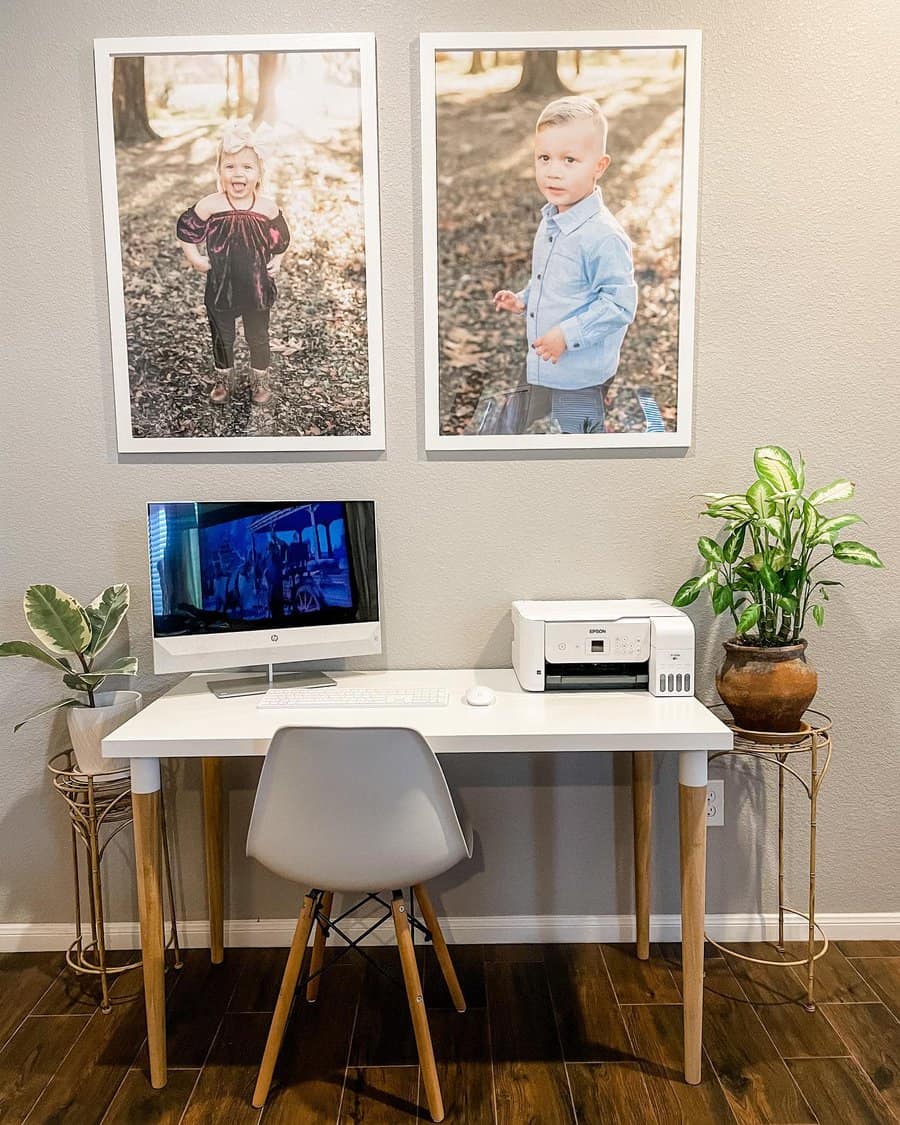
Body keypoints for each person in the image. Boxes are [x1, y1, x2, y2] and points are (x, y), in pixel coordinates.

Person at [493, 96, 637, 433]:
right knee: (503, 431)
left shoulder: (603, 236)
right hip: (541, 362)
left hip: (580, 376)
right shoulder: (551, 219)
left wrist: (566, 334)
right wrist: (524, 298)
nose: (552, 171)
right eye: (544, 158)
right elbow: (550, 279)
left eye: (569, 160)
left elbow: (619, 304)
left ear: (599, 166)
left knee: (581, 451)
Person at [176, 123, 291, 406]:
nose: (238, 173)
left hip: (257, 288)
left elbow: (282, 239)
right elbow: (186, 230)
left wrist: (278, 260)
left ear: (259, 174)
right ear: (219, 171)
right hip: (221, 288)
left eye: (247, 168)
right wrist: (194, 258)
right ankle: (223, 381)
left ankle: (259, 383)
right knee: (222, 337)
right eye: (229, 166)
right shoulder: (211, 204)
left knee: (258, 337)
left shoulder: (266, 207)